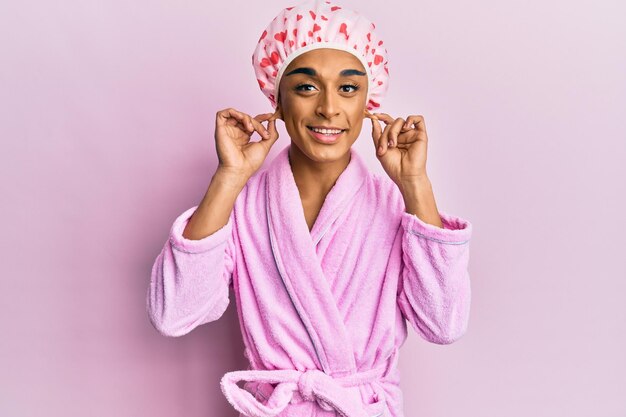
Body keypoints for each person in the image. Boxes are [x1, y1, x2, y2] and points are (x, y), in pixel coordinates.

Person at [146, 1, 473, 416]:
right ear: (277, 99)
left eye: (348, 88)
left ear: (368, 103)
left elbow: (444, 324)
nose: (329, 108)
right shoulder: (244, 207)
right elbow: (173, 314)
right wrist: (228, 178)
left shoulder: (396, 205)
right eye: (306, 87)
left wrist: (415, 184)